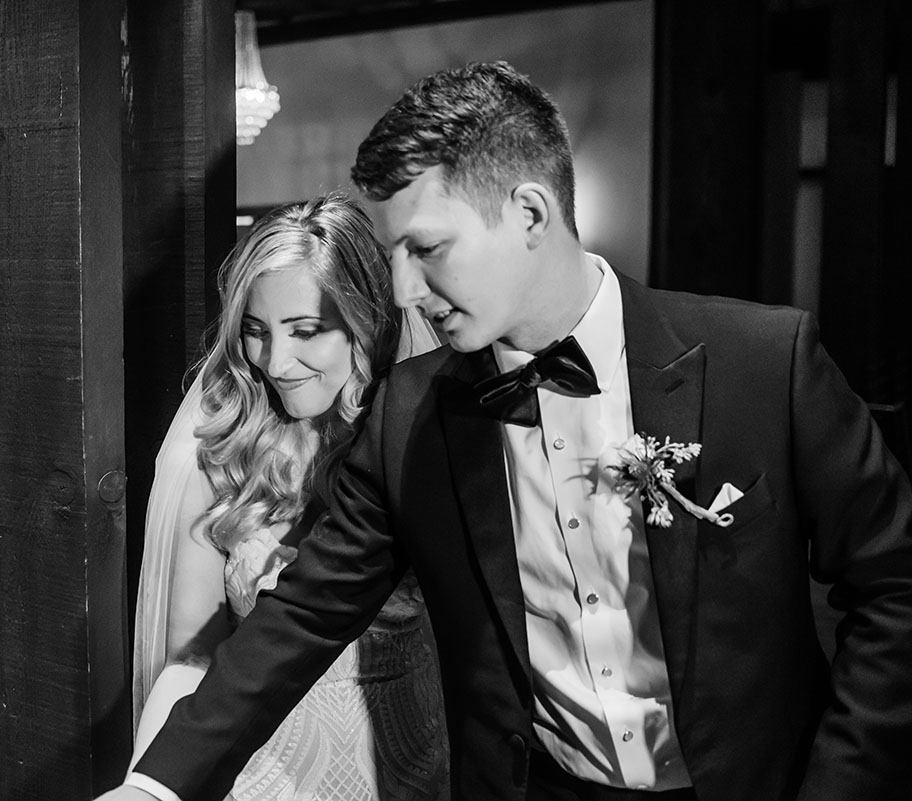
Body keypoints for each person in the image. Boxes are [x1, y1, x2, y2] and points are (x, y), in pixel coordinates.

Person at [111, 62, 912, 801]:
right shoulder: (409, 414)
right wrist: (156, 788)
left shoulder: (763, 365)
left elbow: (894, 589)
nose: (401, 289)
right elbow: (300, 617)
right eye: (393, 254)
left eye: (425, 250)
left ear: (529, 211)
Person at [123, 193, 449, 801]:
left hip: (409, 759)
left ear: (366, 319)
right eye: (255, 332)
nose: (275, 361)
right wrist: (148, 784)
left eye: (305, 331)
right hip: (264, 771)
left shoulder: (426, 437)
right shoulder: (226, 446)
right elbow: (191, 659)